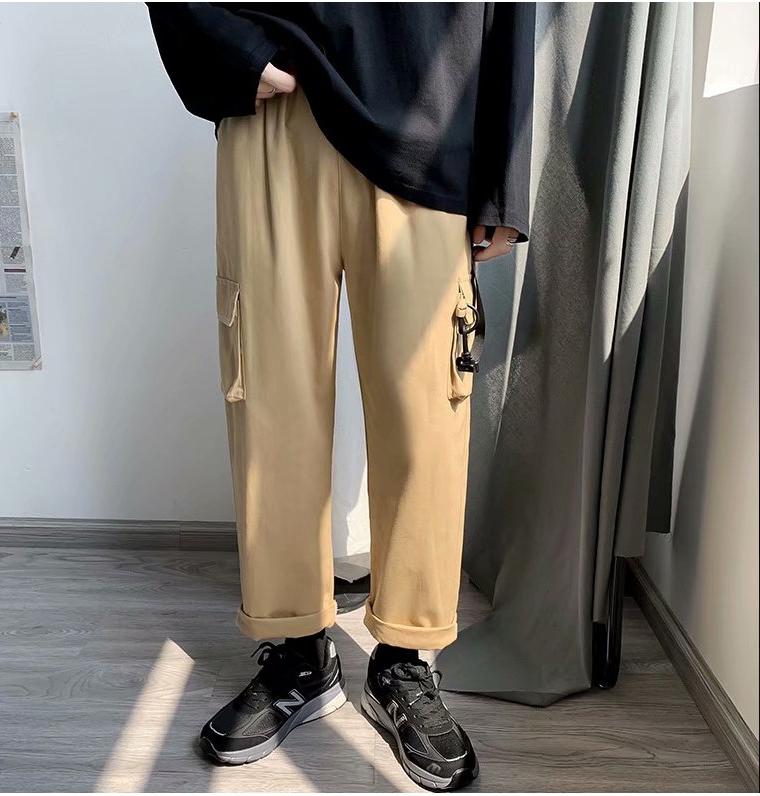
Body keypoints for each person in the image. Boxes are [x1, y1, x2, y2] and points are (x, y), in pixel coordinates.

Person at [148, 3, 534, 790]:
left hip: (433, 106)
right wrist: (224, 45)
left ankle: (404, 660)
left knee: (427, 416)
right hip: (275, 115)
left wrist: (503, 180)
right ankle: (297, 652)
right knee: (271, 404)